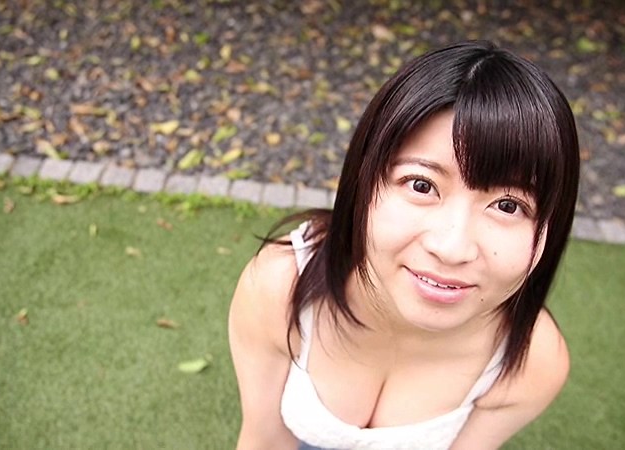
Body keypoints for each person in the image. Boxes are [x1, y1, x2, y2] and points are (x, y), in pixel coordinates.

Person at [228, 40, 580, 450]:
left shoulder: (534, 358)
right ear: (364, 183)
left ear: (550, 228)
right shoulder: (279, 286)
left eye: (508, 205)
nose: (451, 248)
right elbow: (264, 441)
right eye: (421, 185)